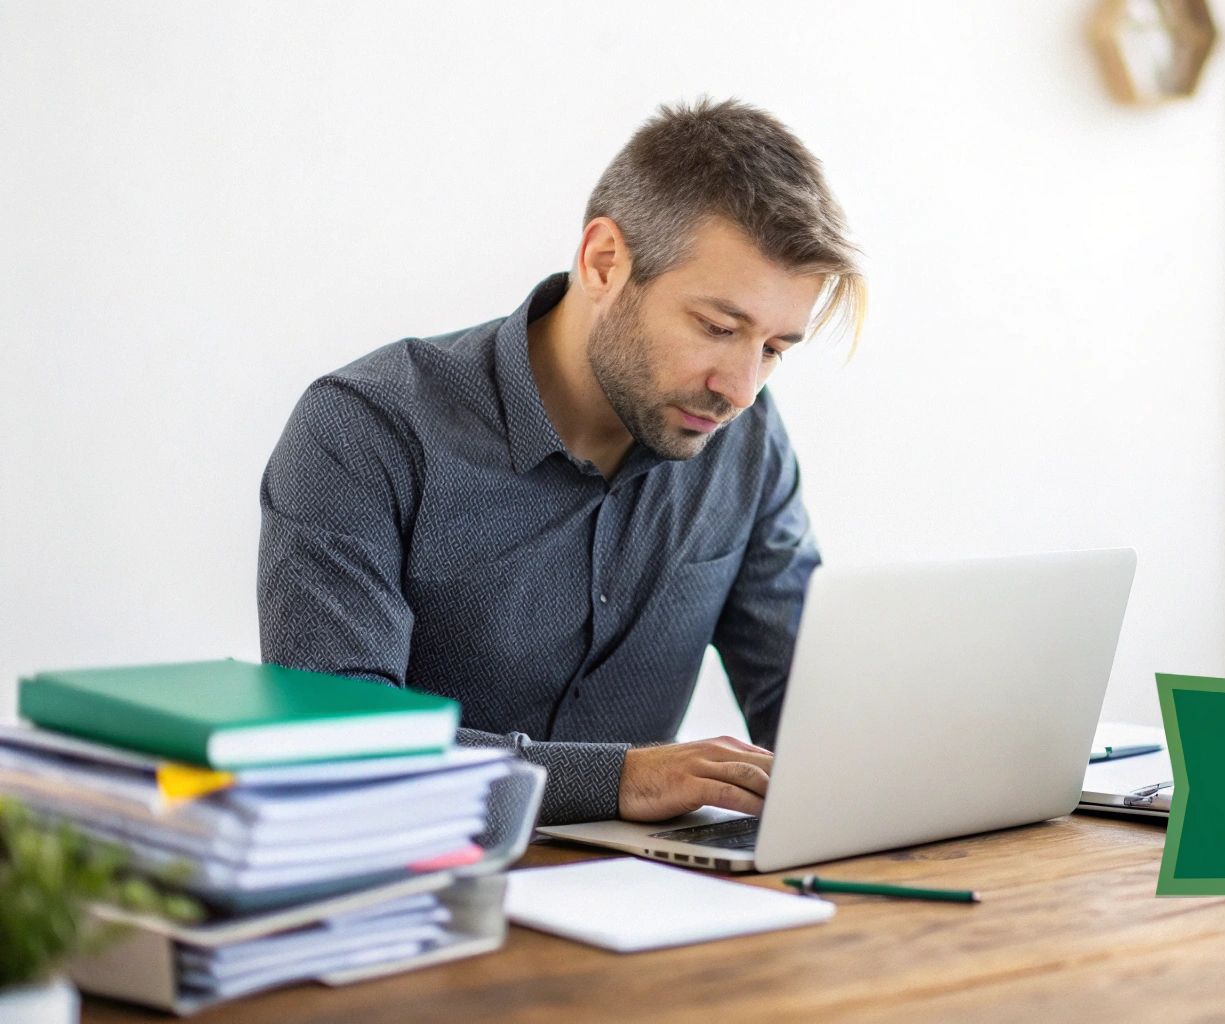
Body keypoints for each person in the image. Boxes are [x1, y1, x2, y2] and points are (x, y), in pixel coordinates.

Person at [257, 98, 863, 825]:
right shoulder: (364, 431)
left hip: (656, 905)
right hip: (417, 900)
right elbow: (341, 747)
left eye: (773, 350)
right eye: (716, 327)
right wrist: (619, 780)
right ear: (604, 261)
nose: (740, 388)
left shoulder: (747, 440)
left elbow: (812, 707)